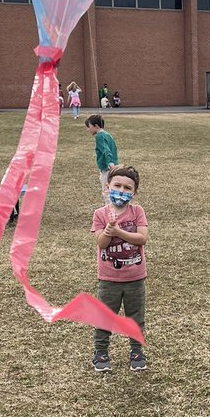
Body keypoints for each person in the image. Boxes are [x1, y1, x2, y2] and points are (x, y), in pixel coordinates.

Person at [90, 165, 148, 372]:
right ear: (107, 187)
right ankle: (101, 352)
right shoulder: (100, 214)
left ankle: (136, 351)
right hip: (109, 278)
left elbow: (142, 238)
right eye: (117, 186)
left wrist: (119, 231)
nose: (121, 191)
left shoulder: (137, 211)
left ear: (134, 192)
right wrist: (108, 230)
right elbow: (102, 243)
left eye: (127, 187)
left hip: (135, 277)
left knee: (135, 316)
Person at [85, 114, 119, 201]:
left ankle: (110, 211)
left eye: (89, 127)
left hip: (107, 169)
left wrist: (110, 163)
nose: (87, 129)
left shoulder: (99, 136)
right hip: (114, 167)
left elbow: (106, 150)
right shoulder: (107, 135)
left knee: (107, 191)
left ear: (96, 126)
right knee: (113, 188)